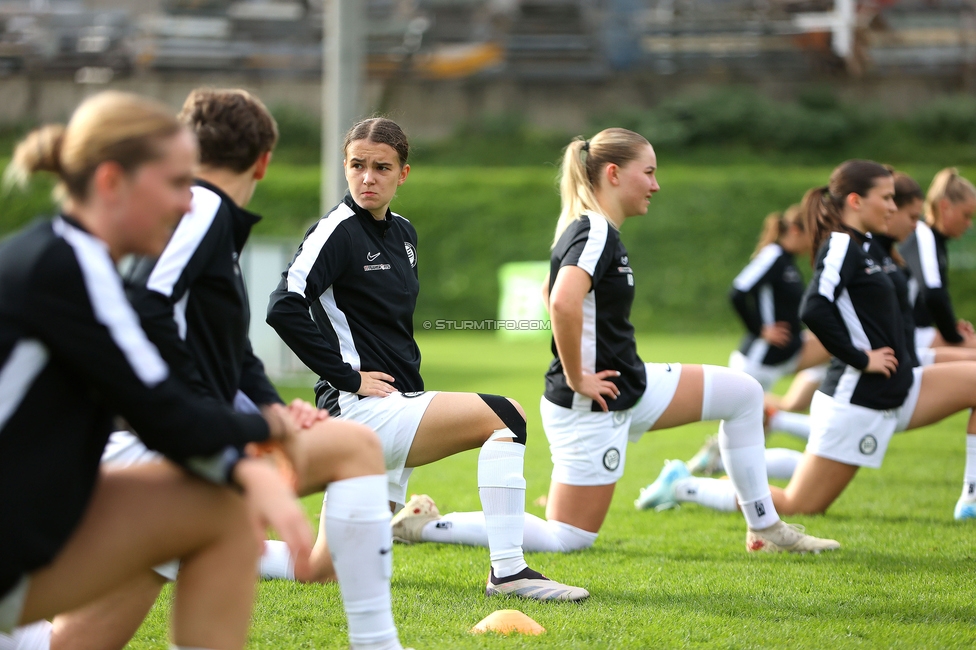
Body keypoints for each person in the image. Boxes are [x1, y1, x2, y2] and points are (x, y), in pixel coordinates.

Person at [40, 90, 407, 650]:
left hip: (150, 442)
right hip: (156, 444)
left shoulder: (202, 215)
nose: (367, 176)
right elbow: (148, 303)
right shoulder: (204, 206)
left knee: (74, 641)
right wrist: (184, 411)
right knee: (355, 450)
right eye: (358, 164)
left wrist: (271, 409)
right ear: (263, 161)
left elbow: (227, 348)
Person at [384, 128, 839, 555]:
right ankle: (426, 524)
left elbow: (552, 293)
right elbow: (561, 302)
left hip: (630, 385)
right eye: (650, 172)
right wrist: (579, 376)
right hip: (592, 404)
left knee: (744, 394)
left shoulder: (595, 229)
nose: (656, 185)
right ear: (614, 174)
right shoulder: (595, 230)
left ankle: (764, 528)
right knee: (569, 536)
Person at [0, 91, 312, 650]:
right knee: (221, 509)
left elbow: (163, 411)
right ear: (112, 182)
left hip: (25, 531)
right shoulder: (70, 271)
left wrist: (246, 459)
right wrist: (271, 430)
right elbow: (169, 418)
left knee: (220, 510)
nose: (189, 205)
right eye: (174, 184)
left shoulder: (64, 260)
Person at [265, 117, 588, 600]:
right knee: (505, 417)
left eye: (381, 167)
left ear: (403, 174)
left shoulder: (405, 234)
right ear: (345, 168)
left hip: (394, 405)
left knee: (323, 568)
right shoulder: (336, 231)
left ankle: (194, 546)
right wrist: (345, 377)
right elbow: (283, 304)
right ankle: (509, 572)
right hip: (361, 413)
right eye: (357, 166)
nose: (367, 178)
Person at [638, 160, 976, 521]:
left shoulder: (869, 246)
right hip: (859, 397)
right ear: (856, 201)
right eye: (887, 198)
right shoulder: (842, 245)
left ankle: (970, 499)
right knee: (799, 504)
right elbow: (814, 308)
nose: (894, 207)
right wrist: (861, 359)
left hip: (898, 387)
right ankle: (682, 486)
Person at [901, 167, 976, 351]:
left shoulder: (935, 242)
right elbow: (933, 294)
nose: (969, 224)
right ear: (945, 207)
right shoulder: (924, 235)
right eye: (966, 215)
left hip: (915, 332)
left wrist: (952, 327)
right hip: (908, 335)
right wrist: (954, 336)